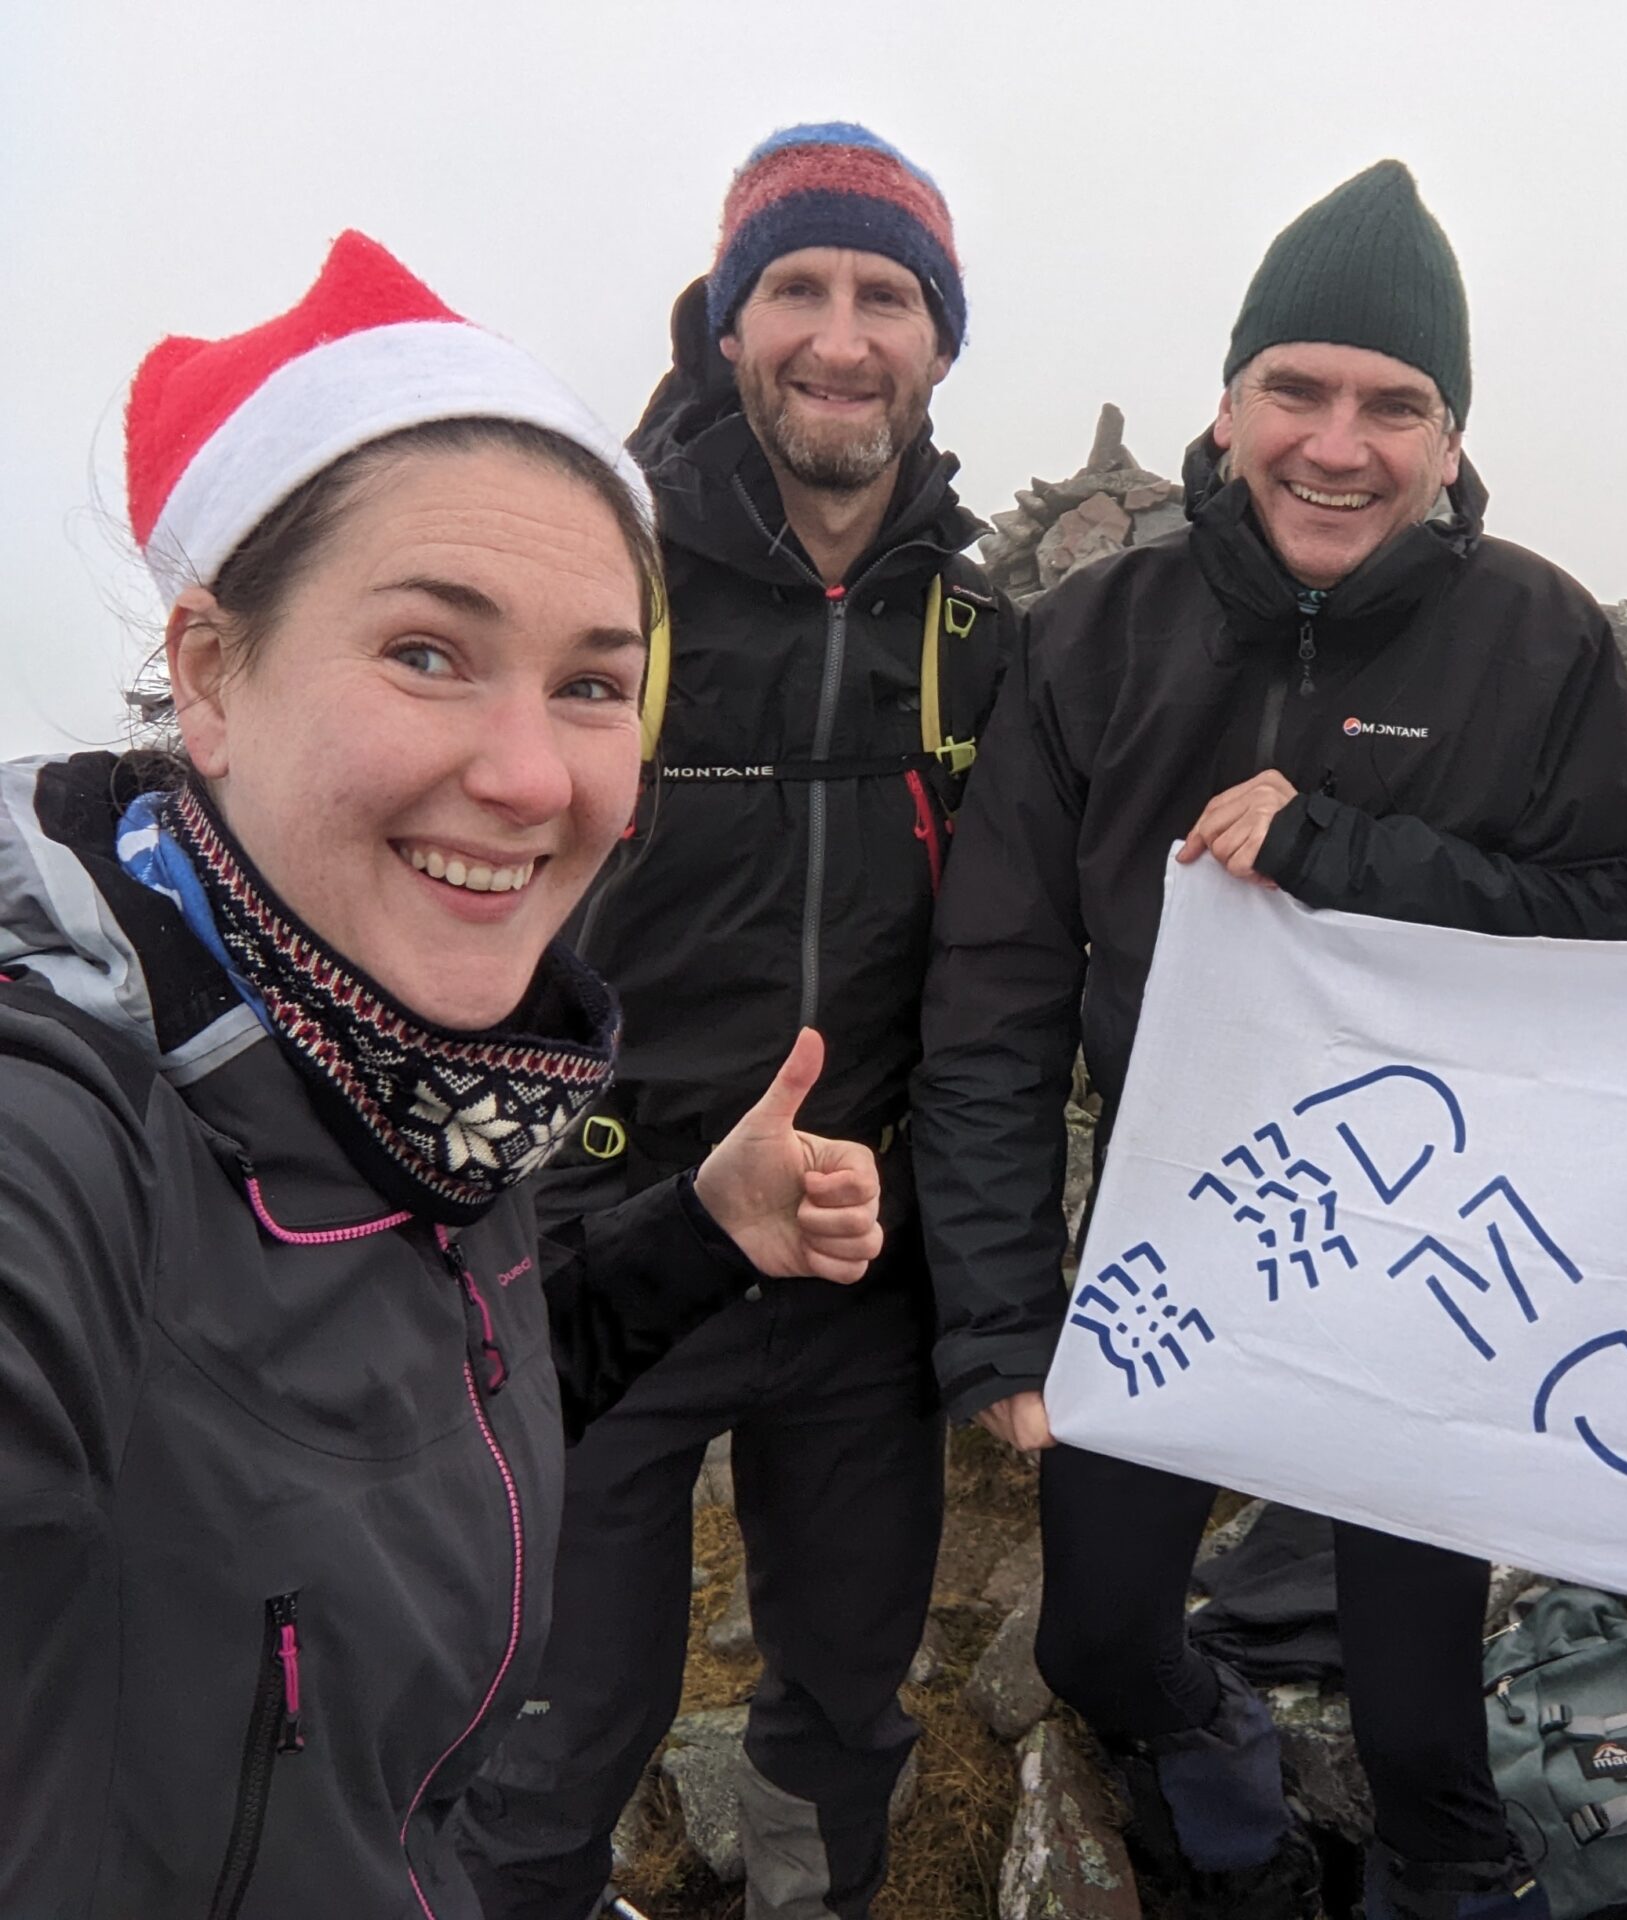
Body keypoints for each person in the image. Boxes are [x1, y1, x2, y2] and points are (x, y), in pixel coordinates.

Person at [0, 232, 886, 1919]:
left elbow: (425, 1378)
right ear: (208, 674)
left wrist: (701, 1229)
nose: (530, 772)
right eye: (427, 652)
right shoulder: (74, 1108)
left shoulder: (406, 1079)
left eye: (592, 685)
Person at [912, 160, 1627, 1920]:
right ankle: (1234, 1810)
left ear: (1450, 435)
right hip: (1178, 1231)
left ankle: (1448, 1880)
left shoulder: (1538, 637)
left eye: (1394, 405)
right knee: (1099, 1640)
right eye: (1300, 391)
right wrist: (1004, 1316)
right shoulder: (1094, 637)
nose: (1340, 444)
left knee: (1419, 1716)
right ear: (1230, 401)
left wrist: (1348, 849)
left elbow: (1624, 930)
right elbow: (998, 997)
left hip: (1431, 1253)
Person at [454, 124, 1013, 1920]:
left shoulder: (984, 629)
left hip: (863, 1263)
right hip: (596, 1254)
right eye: (797, 288)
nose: (840, 334)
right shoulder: (600, 585)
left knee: (846, 1703)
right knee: (558, 1724)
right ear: (725, 326)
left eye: (885, 295)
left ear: (940, 344)